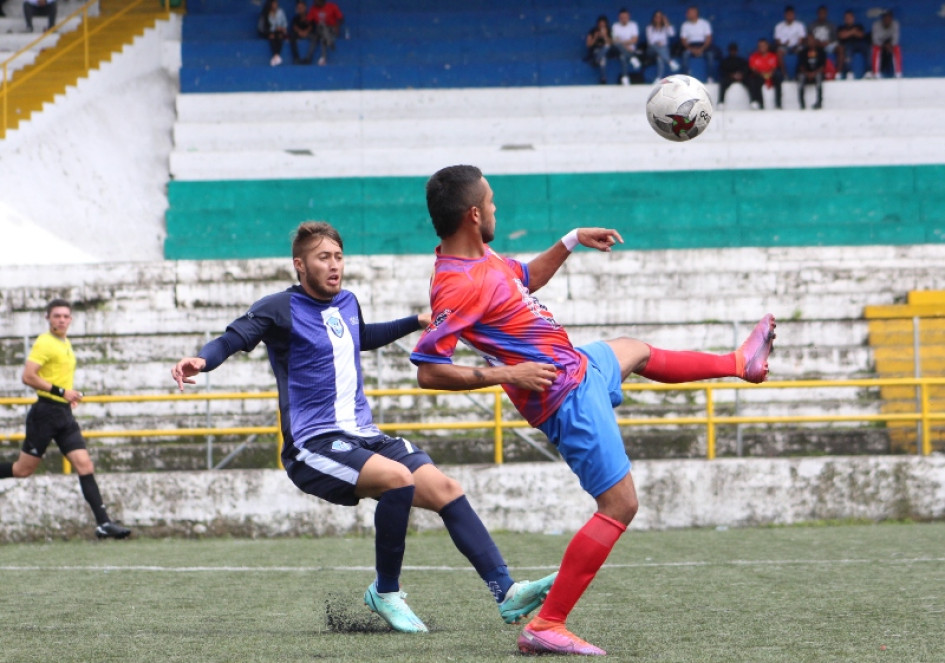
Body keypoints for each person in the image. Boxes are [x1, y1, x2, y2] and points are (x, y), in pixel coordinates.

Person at [411, 165, 776, 656]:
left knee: (634, 350)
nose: (498, 208)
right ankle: (548, 624)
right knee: (621, 505)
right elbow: (430, 370)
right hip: (564, 396)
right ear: (474, 214)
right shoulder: (456, 284)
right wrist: (510, 374)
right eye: (493, 202)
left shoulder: (486, 259)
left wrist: (570, 239)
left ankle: (740, 363)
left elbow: (526, 280)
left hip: (577, 366)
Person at [171, 221, 556, 634]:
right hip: (314, 445)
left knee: (447, 490)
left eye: (338, 256)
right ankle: (385, 592)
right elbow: (235, 337)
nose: (334, 265)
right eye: (323, 257)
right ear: (300, 265)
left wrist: (414, 320)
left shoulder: (349, 302)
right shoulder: (278, 308)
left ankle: (506, 590)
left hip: (363, 434)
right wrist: (203, 360)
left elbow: (361, 336)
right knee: (397, 479)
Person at [0, 299, 131, 540]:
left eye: (65, 316)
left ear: (70, 319)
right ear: (48, 318)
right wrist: (61, 392)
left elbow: (58, 377)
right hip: (45, 414)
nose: (61, 319)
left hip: (63, 414)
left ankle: (103, 523)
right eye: (56, 315)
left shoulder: (65, 343)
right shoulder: (44, 343)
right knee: (22, 470)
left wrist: (69, 397)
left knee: (85, 465)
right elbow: (28, 377)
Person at [678, 5, 716, 83]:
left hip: (703, 45)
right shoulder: (685, 25)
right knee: (685, 55)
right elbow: (683, 40)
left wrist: (701, 49)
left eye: (689, 13)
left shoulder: (705, 23)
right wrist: (691, 49)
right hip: (690, 46)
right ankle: (686, 77)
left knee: (710, 55)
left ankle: (710, 77)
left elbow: (709, 38)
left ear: (695, 13)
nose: (687, 14)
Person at [306, 0, 344, 66]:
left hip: (331, 30)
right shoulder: (313, 9)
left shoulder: (332, 6)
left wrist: (337, 26)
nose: (314, 2)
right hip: (319, 30)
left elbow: (341, 18)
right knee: (320, 26)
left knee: (323, 39)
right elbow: (308, 21)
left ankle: (323, 58)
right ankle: (329, 41)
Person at [748, 37, 783, 110]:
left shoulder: (772, 56)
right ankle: (759, 103)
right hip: (759, 75)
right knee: (754, 80)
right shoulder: (754, 56)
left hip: (770, 75)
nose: (762, 48)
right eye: (760, 46)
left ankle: (778, 104)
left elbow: (773, 68)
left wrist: (769, 74)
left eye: (763, 46)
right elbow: (753, 69)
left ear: (767, 46)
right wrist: (762, 74)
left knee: (777, 79)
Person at [645, 10, 679, 81]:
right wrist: (658, 42)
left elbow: (672, 34)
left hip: (663, 50)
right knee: (656, 46)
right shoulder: (649, 28)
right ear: (654, 18)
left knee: (660, 57)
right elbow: (650, 42)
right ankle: (670, 61)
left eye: (660, 17)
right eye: (656, 17)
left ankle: (659, 78)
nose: (658, 19)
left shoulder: (665, 28)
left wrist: (666, 22)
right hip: (652, 50)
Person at [774, 4, 806, 79]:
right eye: (788, 14)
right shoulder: (779, 26)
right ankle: (784, 75)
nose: (789, 16)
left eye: (791, 14)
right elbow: (777, 42)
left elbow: (802, 39)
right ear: (785, 15)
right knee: (779, 52)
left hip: (796, 46)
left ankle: (799, 74)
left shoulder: (799, 25)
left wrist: (796, 45)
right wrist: (784, 44)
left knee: (802, 51)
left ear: (794, 15)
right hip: (784, 47)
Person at [610, 8, 641, 85]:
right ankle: (632, 58)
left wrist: (622, 44)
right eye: (622, 17)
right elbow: (615, 41)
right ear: (619, 18)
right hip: (618, 50)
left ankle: (625, 77)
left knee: (623, 56)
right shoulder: (615, 26)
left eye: (625, 17)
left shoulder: (633, 25)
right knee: (617, 45)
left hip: (630, 50)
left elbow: (635, 40)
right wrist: (626, 46)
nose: (623, 19)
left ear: (628, 17)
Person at [837, 9, 870, 79]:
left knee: (867, 48)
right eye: (846, 18)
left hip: (860, 44)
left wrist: (848, 33)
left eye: (849, 17)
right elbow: (842, 35)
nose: (847, 19)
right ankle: (849, 72)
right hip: (848, 45)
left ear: (853, 18)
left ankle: (868, 72)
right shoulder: (841, 27)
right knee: (847, 50)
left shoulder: (859, 26)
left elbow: (861, 35)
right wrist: (853, 31)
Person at [717, 41, 749, 109]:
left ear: (736, 51)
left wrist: (741, 75)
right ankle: (721, 102)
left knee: (751, 82)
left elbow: (746, 69)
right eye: (731, 50)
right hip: (730, 77)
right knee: (723, 83)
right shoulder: (725, 61)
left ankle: (754, 101)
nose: (733, 52)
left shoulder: (741, 60)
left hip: (741, 77)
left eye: (734, 50)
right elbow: (723, 71)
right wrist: (731, 75)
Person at [796, 34, 825, 110]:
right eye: (808, 41)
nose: (810, 42)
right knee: (801, 78)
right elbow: (801, 66)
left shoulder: (821, 51)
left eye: (812, 40)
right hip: (806, 73)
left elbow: (822, 66)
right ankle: (802, 104)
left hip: (816, 72)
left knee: (819, 77)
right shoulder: (802, 52)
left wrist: (814, 73)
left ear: (815, 41)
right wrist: (807, 73)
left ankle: (819, 102)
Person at [808, 5, 840, 73]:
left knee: (840, 48)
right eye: (820, 13)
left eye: (824, 13)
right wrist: (818, 42)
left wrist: (828, 42)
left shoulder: (831, 25)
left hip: (828, 45)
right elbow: (809, 38)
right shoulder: (812, 25)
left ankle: (838, 72)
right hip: (816, 46)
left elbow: (835, 38)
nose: (822, 15)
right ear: (818, 14)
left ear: (826, 14)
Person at [871, 10, 902, 79]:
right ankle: (876, 73)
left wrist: (890, 45)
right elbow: (875, 40)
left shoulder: (895, 24)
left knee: (897, 48)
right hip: (880, 45)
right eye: (885, 18)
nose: (887, 20)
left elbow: (896, 39)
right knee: (875, 48)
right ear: (882, 19)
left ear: (891, 19)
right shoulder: (876, 25)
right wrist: (884, 46)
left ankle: (898, 73)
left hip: (890, 45)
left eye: (889, 18)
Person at [584, 15, 613, 84]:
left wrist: (605, 36)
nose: (601, 26)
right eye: (600, 25)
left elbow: (611, 44)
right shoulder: (593, 31)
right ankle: (603, 78)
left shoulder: (609, 31)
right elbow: (588, 45)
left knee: (606, 50)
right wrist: (595, 37)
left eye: (603, 25)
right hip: (595, 51)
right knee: (602, 59)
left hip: (606, 52)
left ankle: (597, 61)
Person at [258, 0, 288, 67]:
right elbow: (268, 27)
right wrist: (275, 28)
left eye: (276, 3)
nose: (275, 5)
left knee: (280, 36)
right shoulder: (267, 14)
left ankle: (276, 56)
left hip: (281, 31)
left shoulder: (280, 12)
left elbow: (285, 24)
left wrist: (282, 28)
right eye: (274, 3)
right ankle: (276, 56)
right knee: (272, 36)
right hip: (271, 32)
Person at [288, 0, 317, 64]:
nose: (300, 9)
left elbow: (312, 26)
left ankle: (308, 59)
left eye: (301, 8)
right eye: (298, 8)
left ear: (305, 7)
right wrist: (300, 32)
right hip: (299, 34)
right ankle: (296, 59)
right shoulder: (295, 18)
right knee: (292, 37)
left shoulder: (309, 16)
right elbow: (294, 27)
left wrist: (306, 32)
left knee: (315, 37)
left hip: (308, 34)